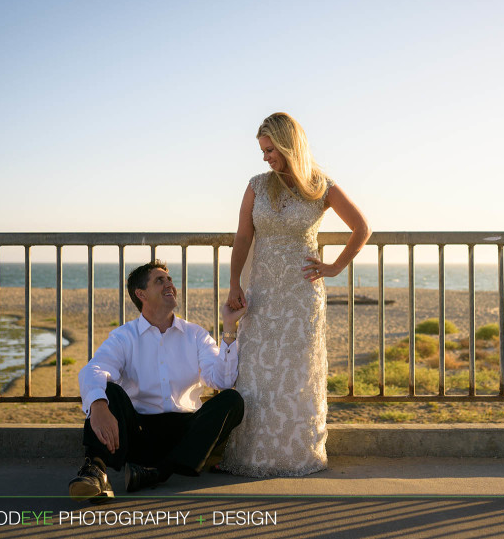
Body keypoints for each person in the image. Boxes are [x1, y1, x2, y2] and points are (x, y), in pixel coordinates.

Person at [220, 112, 370, 477]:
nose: (265, 156)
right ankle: (254, 455)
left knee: (297, 374)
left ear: (288, 145)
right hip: (263, 295)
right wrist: (234, 283)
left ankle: (296, 454)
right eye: (262, 150)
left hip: (301, 297)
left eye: (270, 149)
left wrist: (333, 267)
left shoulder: (321, 185)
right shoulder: (257, 184)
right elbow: (243, 237)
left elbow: (361, 228)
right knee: (257, 371)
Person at [68, 260, 247, 501]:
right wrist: (98, 405)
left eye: (170, 280)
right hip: (139, 433)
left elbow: (222, 380)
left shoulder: (195, 334)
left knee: (232, 400)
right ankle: (95, 471)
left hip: (185, 433)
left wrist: (228, 326)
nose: (169, 284)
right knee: (106, 390)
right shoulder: (124, 336)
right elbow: (95, 368)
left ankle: (157, 473)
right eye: (159, 280)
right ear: (140, 294)